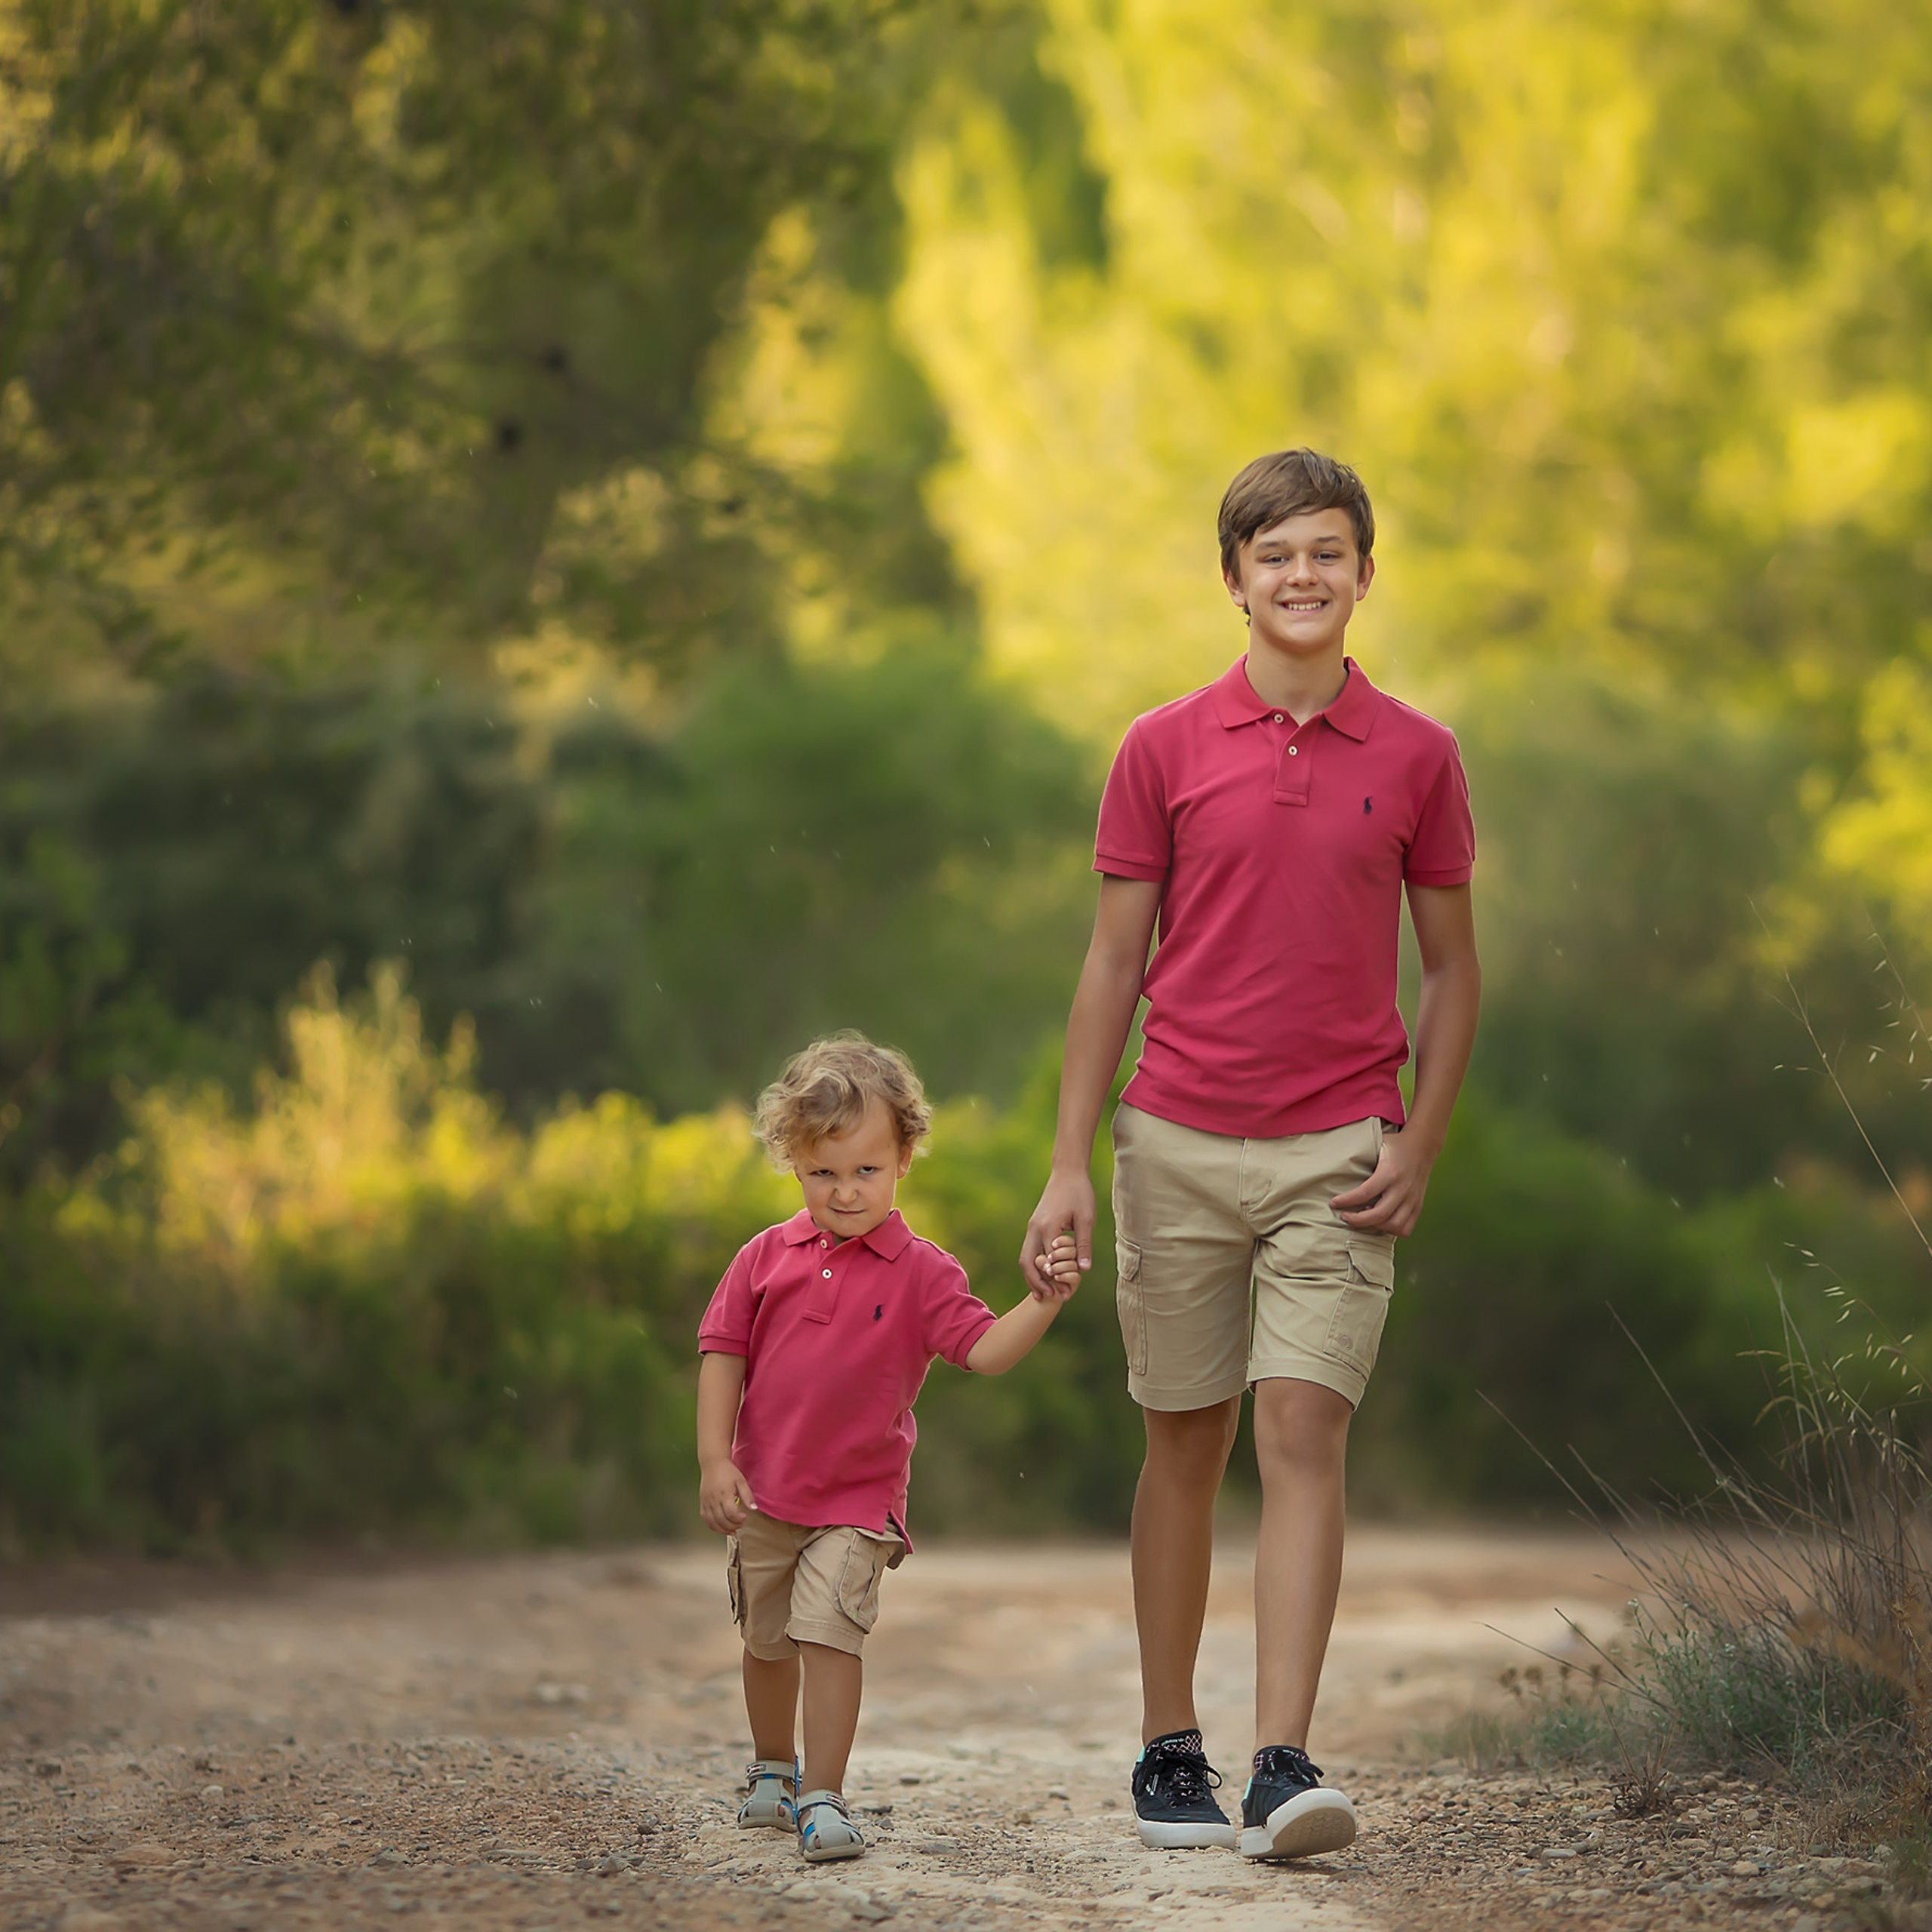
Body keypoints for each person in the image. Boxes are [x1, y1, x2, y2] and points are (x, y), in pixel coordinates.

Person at [1020, 449, 1481, 1861]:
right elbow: (1111, 966)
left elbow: (1453, 974)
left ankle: (1282, 1764)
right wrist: (1068, 1160)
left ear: (1362, 574)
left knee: (1303, 1429)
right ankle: (1173, 1752)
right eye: (1274, 553)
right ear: (1234, 578)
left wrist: (1420, 1143)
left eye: (1328, 552)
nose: (1302, 575)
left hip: (1341, 1147)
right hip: (1173, 1138)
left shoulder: (1418, 755)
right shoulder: (1160, 747)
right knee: (1184, 1440)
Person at [697, 1032, 1077, 1863]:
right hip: (764, 1491)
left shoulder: (922, 1272)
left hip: (858, 1503)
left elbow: (983, 1351)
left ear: (905, 1156)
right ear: (793, 1162)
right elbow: (722, 1350)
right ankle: (772, 1770)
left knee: (830, 1633)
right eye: (822, 1172)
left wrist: (1042, 1302)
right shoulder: (763, 1258)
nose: (843, 1192)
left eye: (865, 1170)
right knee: (765, 1641)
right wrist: (715, 1460)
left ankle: (825, 1794)